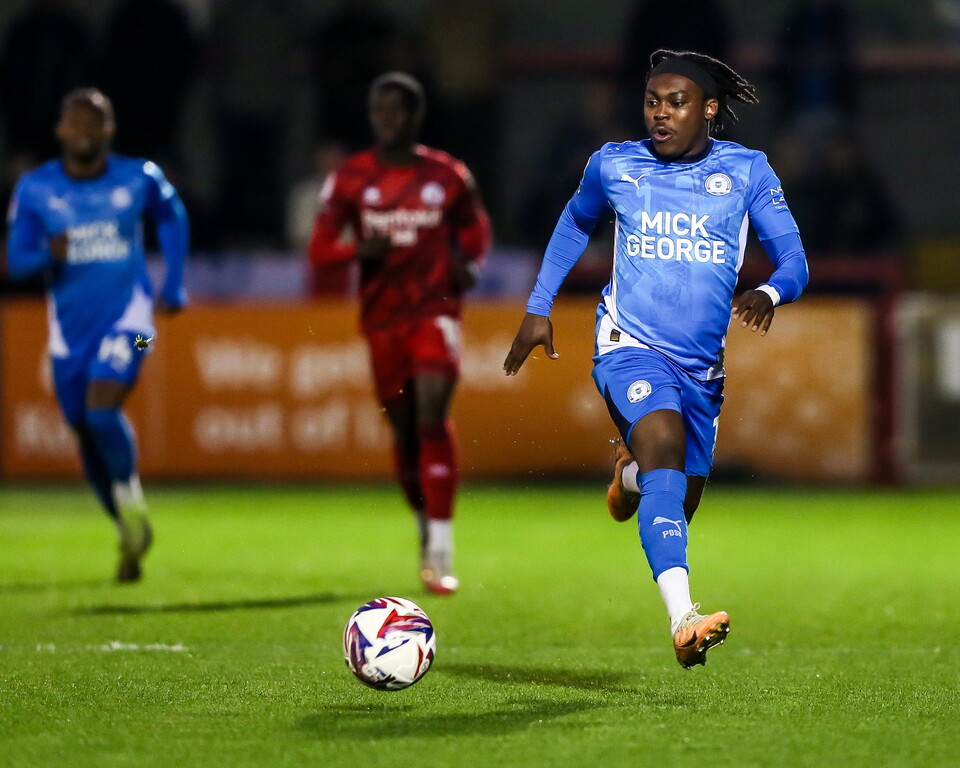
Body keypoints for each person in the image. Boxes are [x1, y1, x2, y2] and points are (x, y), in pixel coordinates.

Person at [503, 50, 809, 667]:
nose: (660, 114)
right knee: (663, 443)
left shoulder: (747, 172)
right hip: (629, 345)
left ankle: (629, 477)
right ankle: (684, 619)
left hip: (702, 370)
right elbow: (573, 223)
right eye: (652, 102)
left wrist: (769, 291)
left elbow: (796, 263)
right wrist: (540, 307)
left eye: (676, 102)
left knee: (676, 494)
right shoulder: (615, 164)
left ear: (710, 109)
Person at [309, 73, 492, 595]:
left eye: (400, 111)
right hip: (382, 320)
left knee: (433, 413)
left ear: (415, 117)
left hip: (436, 311)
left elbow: (474, 226)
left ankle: (440, 546)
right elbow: (320, 251)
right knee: (406, 433)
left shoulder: (448, 174)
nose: (390, 119)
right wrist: (355, 252)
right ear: (372, 116)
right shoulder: (350, 179)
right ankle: (423, 520)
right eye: (381, 111)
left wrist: (469, 263)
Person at [6, 88, 189, 583]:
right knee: (84, 429)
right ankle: (126, 530)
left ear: (109, 130)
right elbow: (15, 259)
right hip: (69, 337)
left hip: (136, 329)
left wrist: (173, 281)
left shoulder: (138, 177)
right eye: (75, 123)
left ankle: (130, 496)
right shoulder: (36, 189)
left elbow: (172, 215)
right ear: (61, 131)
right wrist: (49, 254)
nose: (84, 131)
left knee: (101, 406)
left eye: (95, 123)